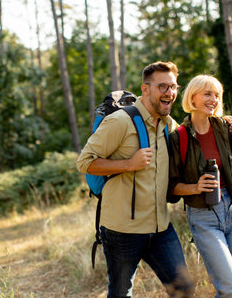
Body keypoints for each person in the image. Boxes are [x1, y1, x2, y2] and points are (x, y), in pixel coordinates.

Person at [77, 61, 194, 297]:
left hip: (161, 228)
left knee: (184, 289)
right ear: (145, 89)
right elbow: (84, 162)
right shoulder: (119, 122)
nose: (169, 93)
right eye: (162, 86)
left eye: (173, 87)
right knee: (121, 293)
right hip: (122, 231)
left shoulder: (168, 125)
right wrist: (129, 164)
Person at [168, 75, 232, 297]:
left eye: (217, 95)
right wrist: (195, 187)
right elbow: (170, 187)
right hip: (203, 217)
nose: (214, 99)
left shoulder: (225, 128)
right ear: (193, 97)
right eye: (208, 94)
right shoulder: (178, 137)